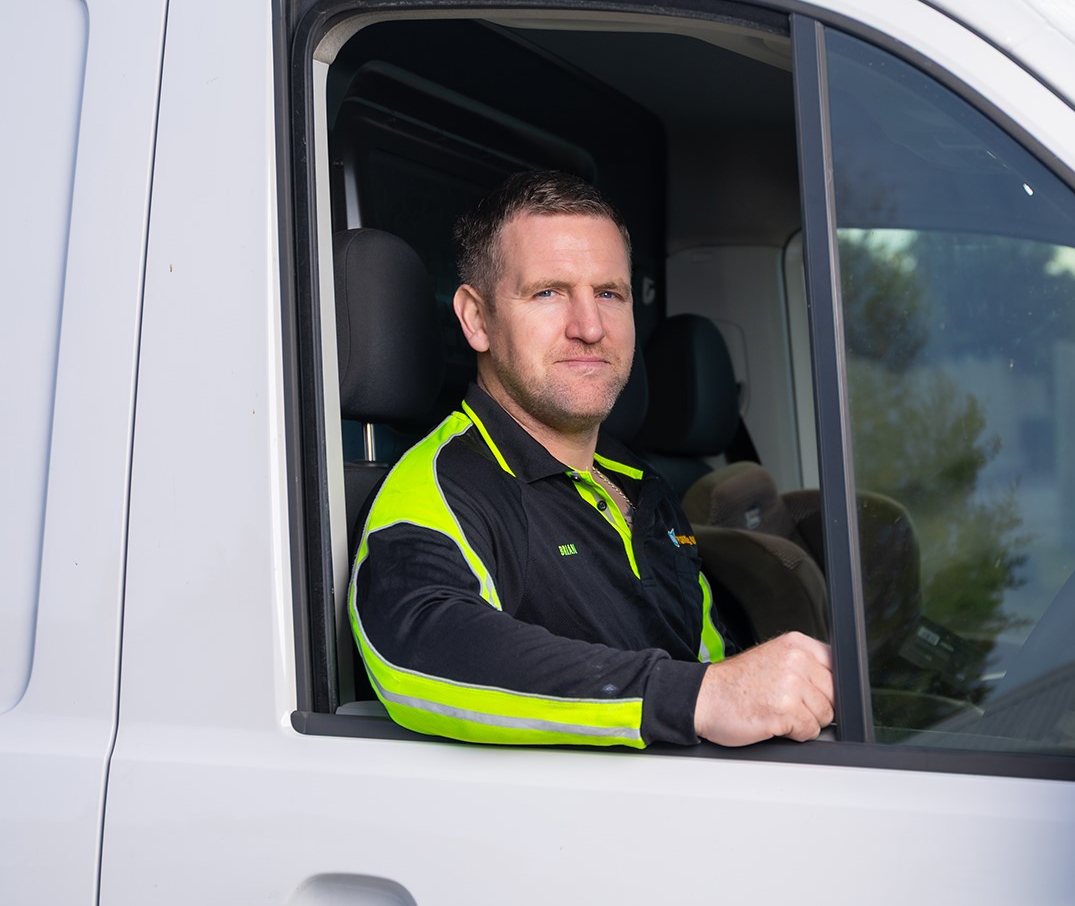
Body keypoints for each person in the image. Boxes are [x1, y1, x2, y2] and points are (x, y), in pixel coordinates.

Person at [349, 170, 834, 748]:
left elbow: (704, 655)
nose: (590, 327)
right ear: (476, 319)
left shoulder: (641, 486)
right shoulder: (441, 487)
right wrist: (697, 697)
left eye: (609, 293)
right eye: (548, 292)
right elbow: (418, 641)